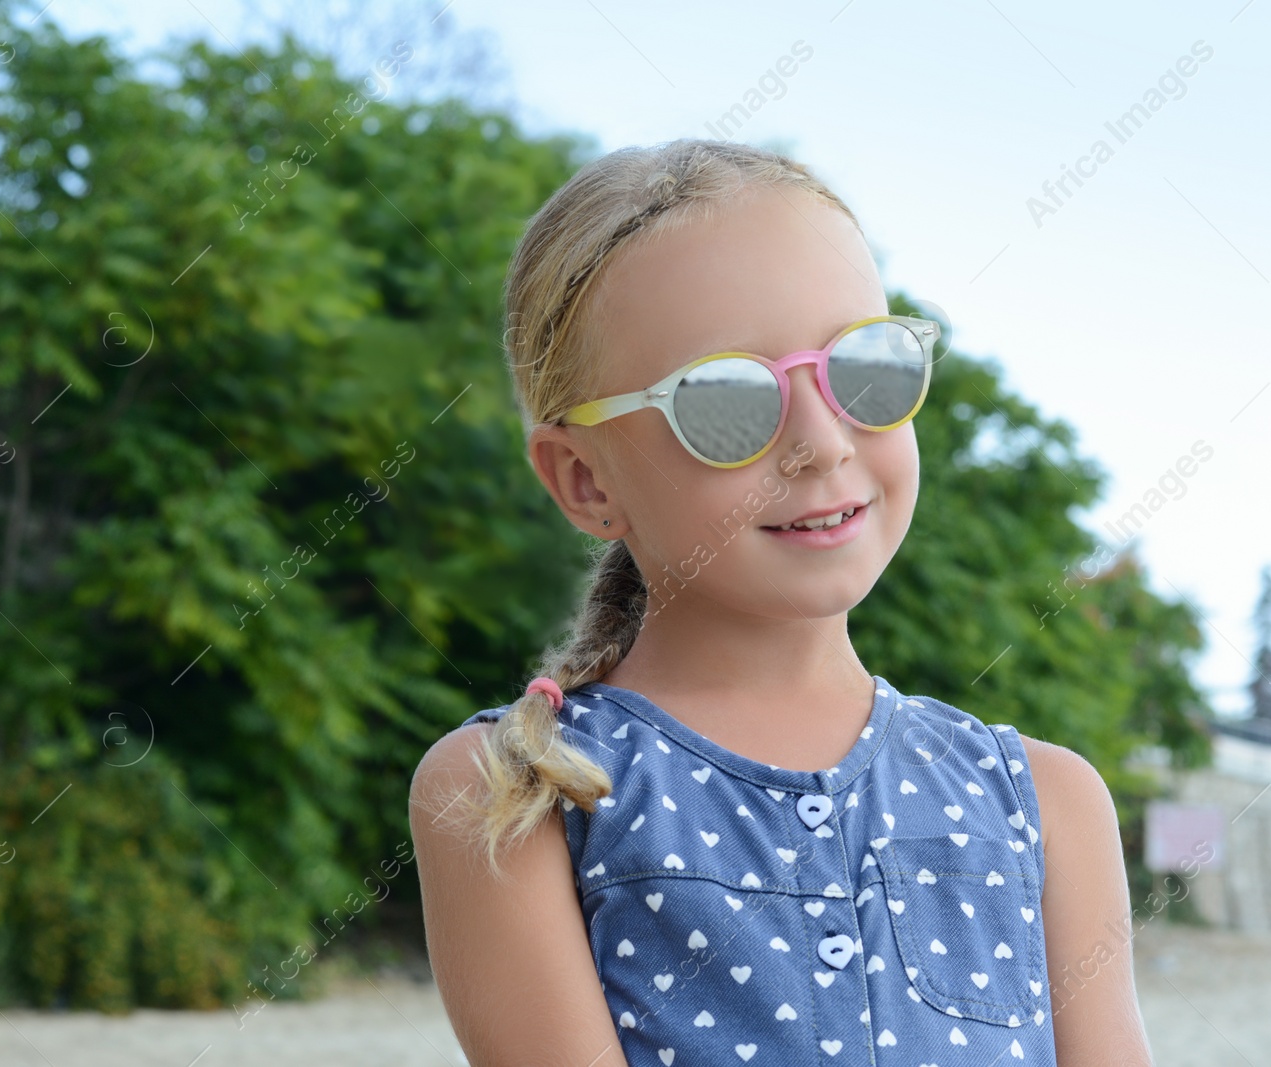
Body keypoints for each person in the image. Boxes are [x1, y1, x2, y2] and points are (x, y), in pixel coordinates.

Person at [409, 138, 1153, 1067]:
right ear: (585, 478)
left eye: (867, 370)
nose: (820, 440)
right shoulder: (515, 793)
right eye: (726, 401)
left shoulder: (1047, 801)